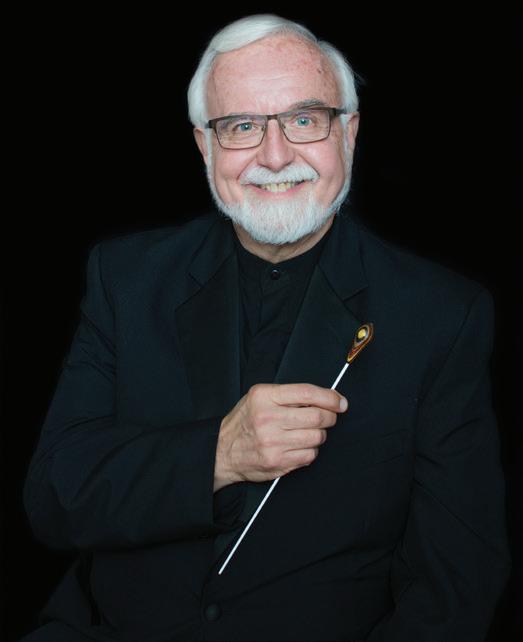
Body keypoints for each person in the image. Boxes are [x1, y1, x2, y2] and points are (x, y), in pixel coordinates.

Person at [21, 14, 510, 642]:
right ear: (205, 146)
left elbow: (455, 587)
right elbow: (54, 500)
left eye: (304, 120)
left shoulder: (442, 314)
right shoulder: (126, 279)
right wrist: (219, 454)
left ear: (349, 133)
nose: (275, 156)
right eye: (242, 126)